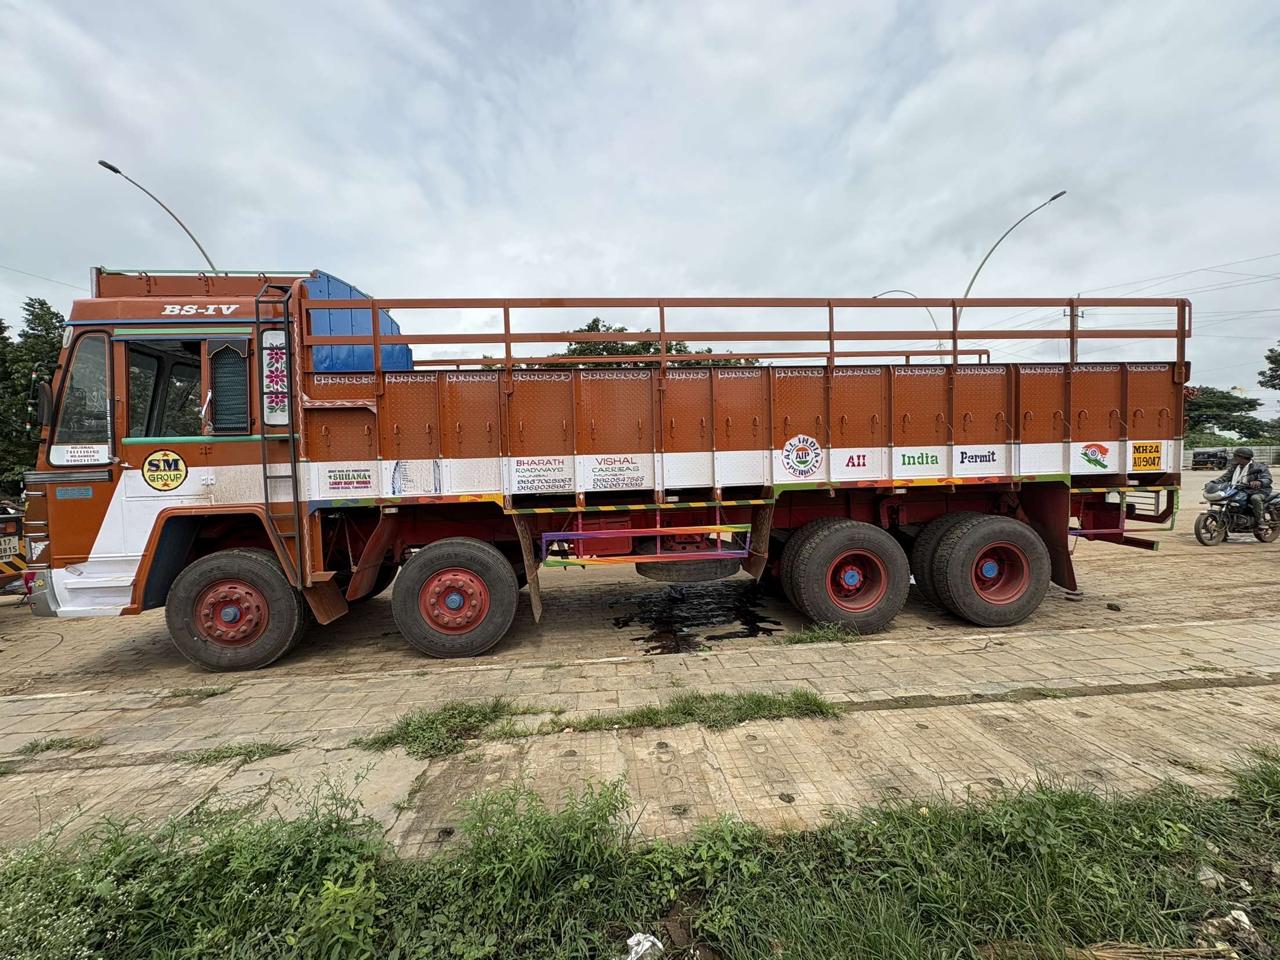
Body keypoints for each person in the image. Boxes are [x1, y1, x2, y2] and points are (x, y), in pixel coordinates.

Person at [1214, 447, 1273, 531]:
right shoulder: (1235, 467)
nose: (1234, 458)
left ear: (1242, 457)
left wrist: (1259, 482)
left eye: (1236, 456)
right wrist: (1213, 482)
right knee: (1226, 499)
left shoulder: (1259, 467)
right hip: (1239, 489)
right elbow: (1225, 478)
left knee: (1255, 498)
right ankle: (1227, 525)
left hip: (1258, 490)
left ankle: (1260, 520)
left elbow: (1267, 479)